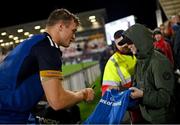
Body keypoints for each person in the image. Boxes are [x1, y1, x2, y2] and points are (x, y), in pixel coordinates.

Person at [0, 8, 94, 123]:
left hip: (11, 112)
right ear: (60, 26)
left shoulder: (36, 42)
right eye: (73, 31)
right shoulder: (48, 48)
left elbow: (41, 92)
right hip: (8, 116)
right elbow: (57, 102)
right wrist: (83, 94)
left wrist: (72, 94)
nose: (74, 36)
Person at [121, 23, 176, 123]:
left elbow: (165, 98)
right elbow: (138, 86)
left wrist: (142, 95)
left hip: (163, 119)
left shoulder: (159, 62)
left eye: (130, 42)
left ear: (140, 41)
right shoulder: (139, 61)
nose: (128, 46)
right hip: (148, 117)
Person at [101, 30, 143, 124]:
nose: (124, 46)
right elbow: (107, 91)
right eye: (120, 44)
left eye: (125, 42)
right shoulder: (113, 62)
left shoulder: (139, 52)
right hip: (132, 107)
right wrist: (128, 91)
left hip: (150, 102)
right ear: (115, 45)